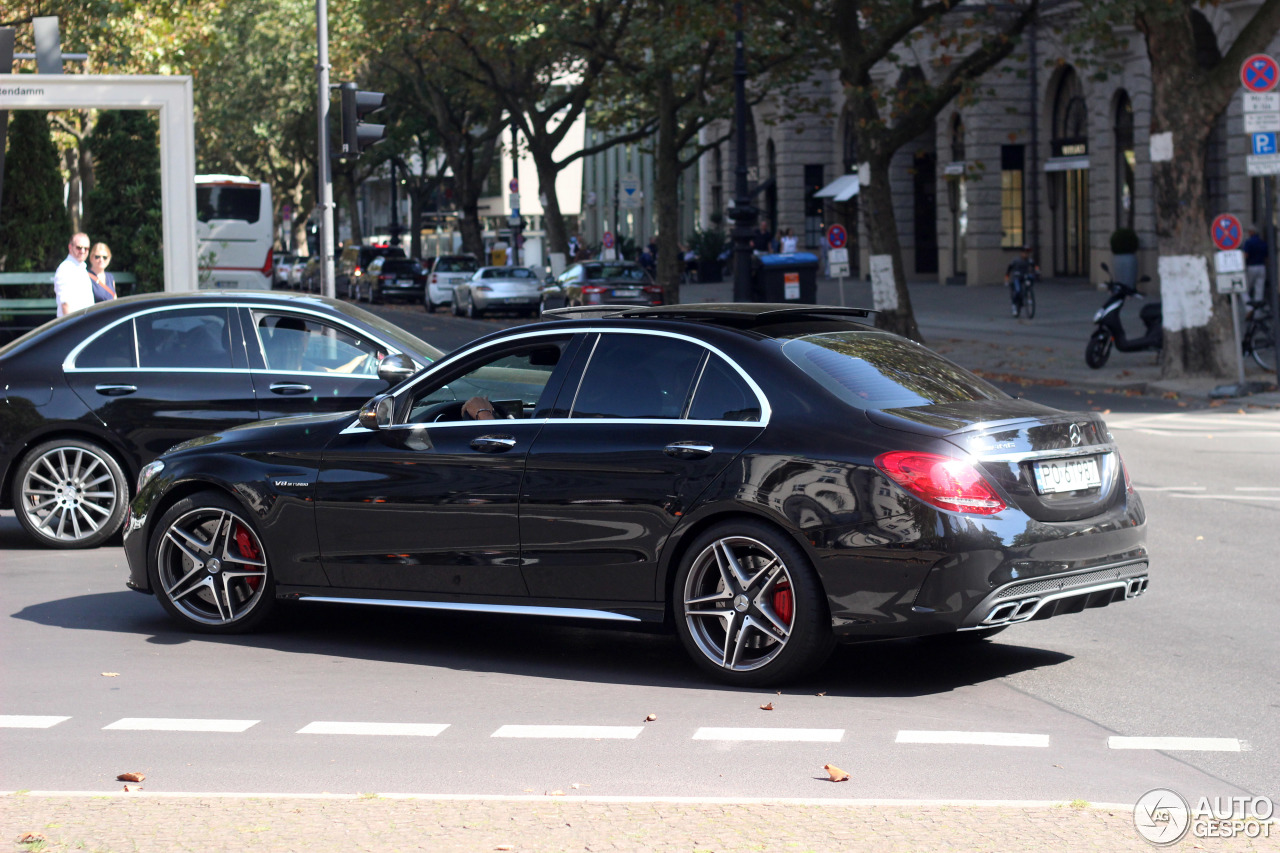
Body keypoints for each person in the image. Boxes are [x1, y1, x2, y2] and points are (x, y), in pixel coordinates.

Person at [53, 232, 95, 317]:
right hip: (75, 323)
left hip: (85, 322)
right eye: (79, 248)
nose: (82, 251)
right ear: (70, 247)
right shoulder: (65, 269)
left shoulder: (81, 267)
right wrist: (72, 327)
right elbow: (65, 304)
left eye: (86, 248)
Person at [1005, 246, 1039, 317]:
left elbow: (1035, 266)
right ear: (1021, 253)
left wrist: (1037, 271)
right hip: (1016, 277)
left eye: (1027, 253)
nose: (1026, 255)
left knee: (1030, 278)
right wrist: (1007, 277)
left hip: (1024, 276)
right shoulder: (1016, 260)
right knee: (1017, 290)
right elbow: (1010, 268)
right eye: (1024, 253)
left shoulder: (1029, 260)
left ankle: (1028, 293)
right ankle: (1014, 306)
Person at [1243, 225, 1267, 305]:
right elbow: (1267, 255)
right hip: (1262, 266)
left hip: (1251, 266)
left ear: (1251, 232)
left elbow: (1246, 255)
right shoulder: (1262, 242)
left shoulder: (1249, 242)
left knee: (1245, 288)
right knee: (1259, 289)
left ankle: (1249, 307)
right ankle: (1258, 311)